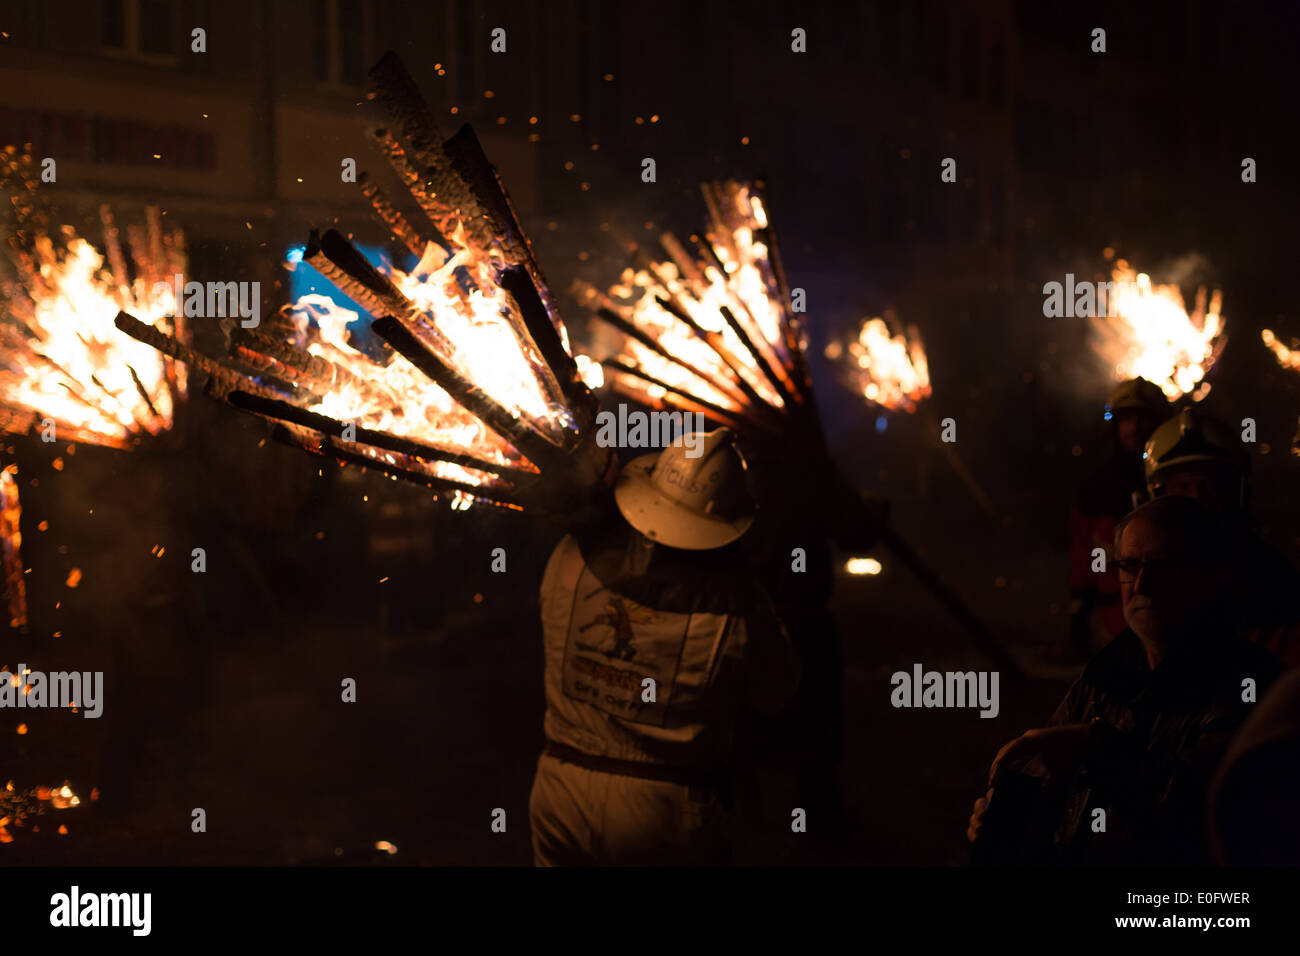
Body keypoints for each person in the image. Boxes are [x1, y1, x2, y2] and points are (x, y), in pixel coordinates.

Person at [528, 428, 801, 865]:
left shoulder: (570, 557)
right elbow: (777, 693)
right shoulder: (738, 609)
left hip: (560, 787)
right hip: (664, 807)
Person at [969, 495, 1280, 864]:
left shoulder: (1250, 687)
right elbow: (1060, 809)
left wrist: (1096, 747)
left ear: (1209, 578)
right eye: (1130, 566)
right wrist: (1007, 823)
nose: (1143, 584)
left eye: (1164, 566)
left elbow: (1202, 813)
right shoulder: (1104, 678)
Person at [1143, 407, 1300, 666]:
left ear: (1236, 491)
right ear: (1155, 496)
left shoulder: (1270, 581)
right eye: (1182, 487)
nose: (1196, 497)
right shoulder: (1143, 576)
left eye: (1208, 485)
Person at [1066, 378, 1170, 656]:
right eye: (1125, 418)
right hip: (1112, 628)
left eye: (1141, 418)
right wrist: (1079, 610)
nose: (1133, 427)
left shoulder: (1173, 483)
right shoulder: (1096, 490)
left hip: (1172, 624)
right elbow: (1082, 555)